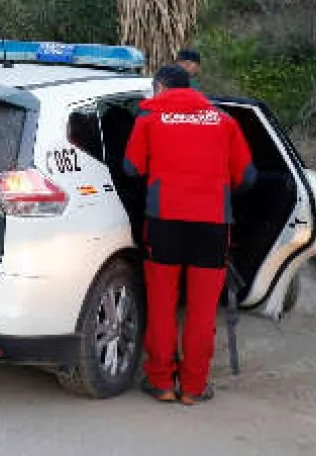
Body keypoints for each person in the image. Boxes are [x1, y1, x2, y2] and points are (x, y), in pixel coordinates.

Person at [124, 64, 255, 406]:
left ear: (160, 87)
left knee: (162, 305)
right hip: (212, 226)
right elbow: (248, 177)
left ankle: (161, 383)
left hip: (164, 223)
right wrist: (216, 191)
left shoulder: (149, 119)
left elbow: (131, 168)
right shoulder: (224, 121)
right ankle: (193, 388)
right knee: (202, 309)